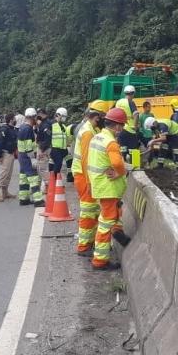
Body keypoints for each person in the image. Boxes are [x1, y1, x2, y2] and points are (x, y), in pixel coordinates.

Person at [86, 107, 130, 270]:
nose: (122, 129)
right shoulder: (110, 142)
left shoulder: (97, 137)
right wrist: (120, 173)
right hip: (108, 188)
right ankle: (100, 261)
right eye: (123, 125)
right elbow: (118, 164)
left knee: (114, 213)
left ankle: (119, 234)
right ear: (117, 126)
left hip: (99, 185)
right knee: (105, 223)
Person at [72, 101, 107, 256]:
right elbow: (86, 160)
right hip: (84, 177)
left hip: (84, 176)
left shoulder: (91, 129)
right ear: (97, 117)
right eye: (104, 116)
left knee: (92, 211)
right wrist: (91, 182)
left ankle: (89, 242)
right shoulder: (87, 132)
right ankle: (84, 246)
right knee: (87, 212)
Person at [17, 108, 44, 207]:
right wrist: (32, 158)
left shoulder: (22, 127)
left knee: (23, 178)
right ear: (33, 117)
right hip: (27, 156)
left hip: (21, 155)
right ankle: (38, 200)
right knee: (33, 177)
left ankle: (23, 199)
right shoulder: (28, 129)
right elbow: (29, 145)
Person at [0, 113, 18, 202]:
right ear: (11, 119)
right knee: (3, 173)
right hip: (5, 154)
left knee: (8, 174)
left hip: (11, 154)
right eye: (14, 118)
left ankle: (5, 192)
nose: (16, 120)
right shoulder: (4, 129)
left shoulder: (13, 129)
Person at [114, 85, 140, 161]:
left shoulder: (119, 102)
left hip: (120, 129)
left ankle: (123, 167)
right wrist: (135, 126)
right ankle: (136, 168)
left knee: (122, 150)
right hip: (130, 130)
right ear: (133, 93)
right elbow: (136, 114)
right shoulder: (131, 102)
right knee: (134, 151)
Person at [50, 108, 73, 178]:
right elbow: (47, 135)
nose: (64, 118)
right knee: (58, 164)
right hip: (55, 148)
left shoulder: (63, 126)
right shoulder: (52, 125)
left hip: (63, 149)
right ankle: (54, 180)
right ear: (59, 115)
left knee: (69, 159)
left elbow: (66, 137)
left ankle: (70, 177)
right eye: (64, 117)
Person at [35, 108, 52, 194]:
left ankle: (47, 187)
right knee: (41, 168)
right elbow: (39, 133)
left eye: (38, 114)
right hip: (43, 147)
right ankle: (45, 187)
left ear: (41, 113)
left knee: (43, 168)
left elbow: (47, 138)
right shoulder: (42, 123)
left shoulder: (46, 124)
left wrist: (42, 150)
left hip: (44, 148)